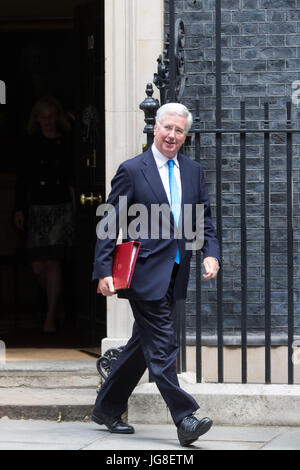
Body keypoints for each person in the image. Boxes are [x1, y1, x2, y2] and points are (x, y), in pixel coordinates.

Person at [92, 103, 220, 447]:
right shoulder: (133, 170)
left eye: (179, 131)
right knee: (164, 344)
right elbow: (109, 222)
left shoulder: (192, 171)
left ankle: (107, 406)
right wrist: (104, 270)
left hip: (177, 270)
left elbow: (203, 218)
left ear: (185, 136)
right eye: (168, 128)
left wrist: (211, 253)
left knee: (141, 345)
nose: (172, 136)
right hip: (143, 272)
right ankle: (185, 418)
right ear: (155, 129)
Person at [14, 96, 75, 334]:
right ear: (37, 119)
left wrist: (76, 208)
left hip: (60, 207)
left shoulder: (66, 142)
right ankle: (54, 301)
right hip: (36, 208)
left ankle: (49, 317)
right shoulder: (30, 143)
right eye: (43, 117)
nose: (48, 121)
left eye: (52, 116)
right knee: (38, 266)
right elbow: (22, 179)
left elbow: (72, 177)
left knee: (53, 261)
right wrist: (18, 209)